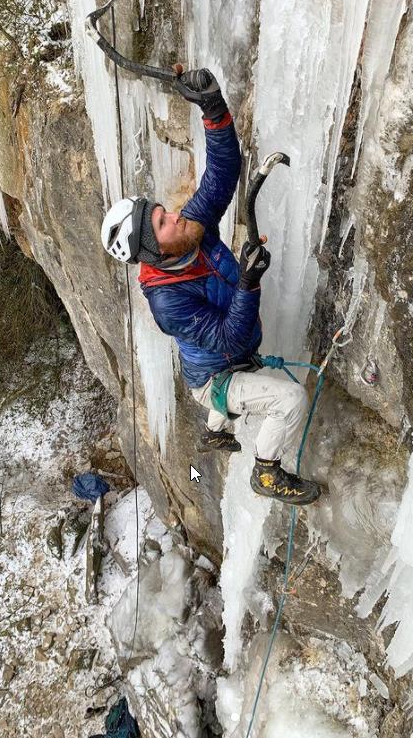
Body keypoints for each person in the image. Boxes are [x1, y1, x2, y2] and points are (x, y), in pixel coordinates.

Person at [100, 68, 321, 506]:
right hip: (216, 377)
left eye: (164, 211)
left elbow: (222, 174)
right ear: (151, 251)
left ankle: (214, 431)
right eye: (161, 223)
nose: (174, 216)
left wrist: (213, 109)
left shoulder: (191, 232)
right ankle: (267, 472)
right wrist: (248, 282)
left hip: (224, 360)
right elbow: (228, 337)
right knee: (291, 400)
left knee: (238, 382)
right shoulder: (167, 302)